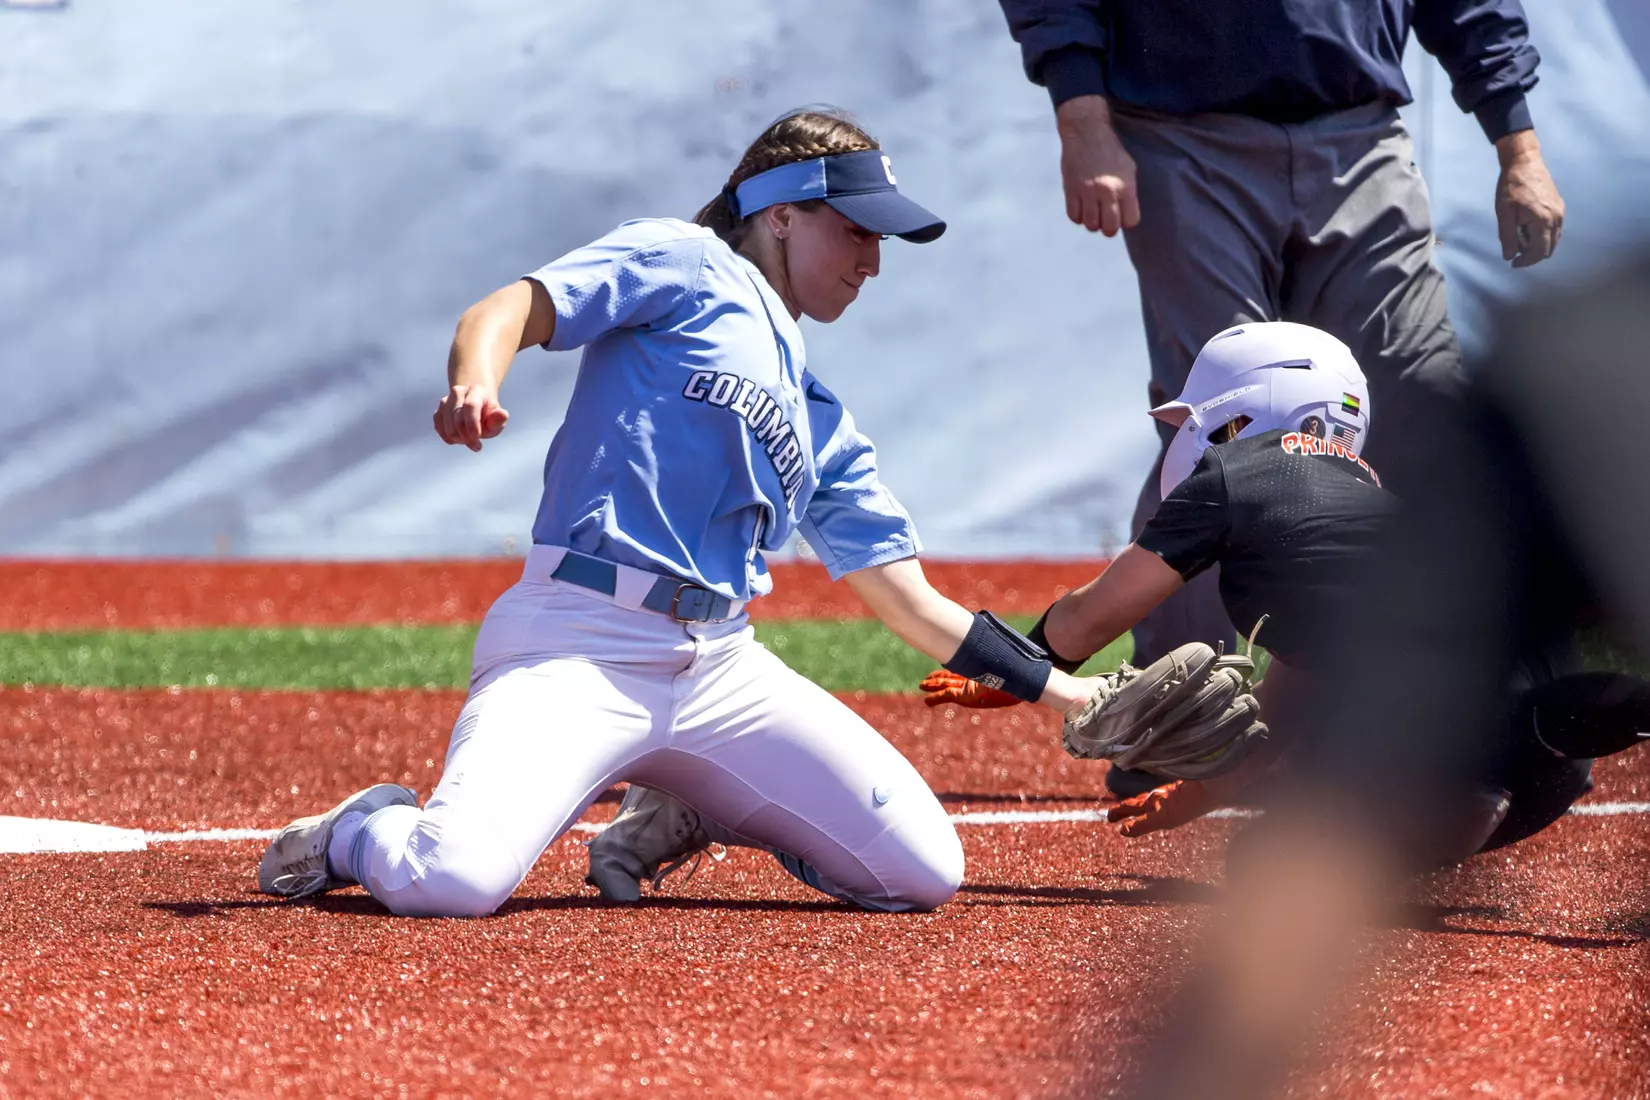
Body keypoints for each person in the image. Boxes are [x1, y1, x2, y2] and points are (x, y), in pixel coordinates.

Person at [253, 108, 1106, 918]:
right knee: (451, 880)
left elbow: (913, 605)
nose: (871, 260)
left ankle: (691, 805)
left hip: (721, 671)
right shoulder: (689, 261)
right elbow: (507, 309)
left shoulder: (823, 422)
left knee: (921, 871)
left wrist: (1078, 697)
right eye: (855, 229)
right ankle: (359, 831)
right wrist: (476, 380)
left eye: (879, 240)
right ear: (777, 215)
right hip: (579, 641)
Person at [995, 0, 1568, 738]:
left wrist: (1519, 146)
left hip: (1364, 130)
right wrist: (1082, 118)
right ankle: (1178, 724)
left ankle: (1502, 704)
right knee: (1225, 440)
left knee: (1431, 406)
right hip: (1182, 131)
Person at [922, 321, 1647, 852]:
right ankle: (1514, 755)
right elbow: (1295, 701)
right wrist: (1204, 792)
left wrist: (1015, 667)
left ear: (1248, 409)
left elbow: (1084, 621)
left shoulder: (1236, 477)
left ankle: (1462, 783)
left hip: (1457, 743)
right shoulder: (1370, 502)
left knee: (1269, 861)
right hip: (1552, 758)